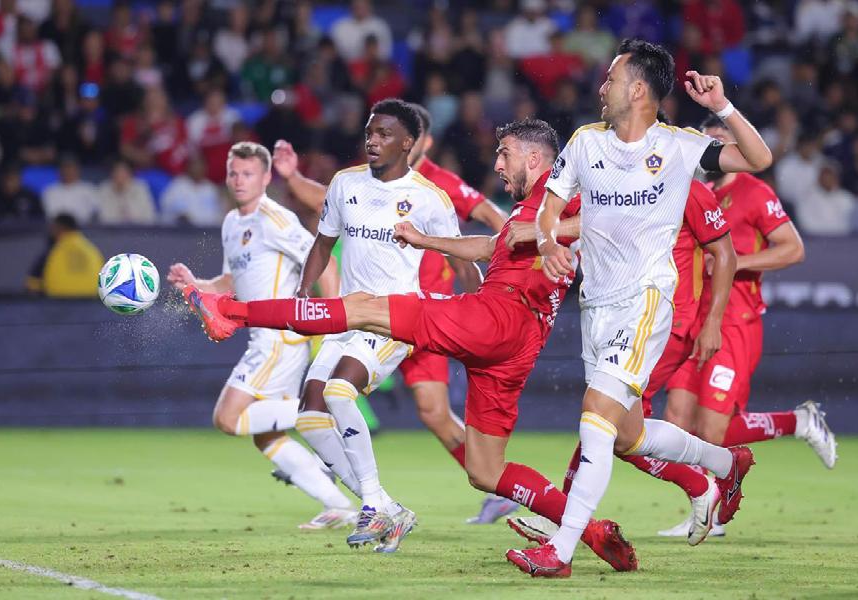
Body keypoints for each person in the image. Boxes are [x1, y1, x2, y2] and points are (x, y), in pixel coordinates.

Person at [181, 117, 641, 574]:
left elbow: (618, 217)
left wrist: (551, 234)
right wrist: (426, 240)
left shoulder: (557, 197)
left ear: (534, 157)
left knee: (362, 307)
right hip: (516, 347)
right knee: (484, 470)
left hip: (496, 317)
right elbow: (489, 247)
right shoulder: (529, 208)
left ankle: (232, 311)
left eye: (505, 154)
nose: (497, 164)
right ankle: (592, 533)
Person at [515, 38, 775, 577]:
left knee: (595, 417)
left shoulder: (679, 146)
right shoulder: (586, 142)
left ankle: (560, 551)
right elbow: (549, 207)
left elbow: (760, 159)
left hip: (646, 301)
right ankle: (724, 464)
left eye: (610, 78)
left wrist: (722, 106)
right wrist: (547, 243)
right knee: (629, 435)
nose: (601, 88)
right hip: (596, 305)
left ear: (637, 89)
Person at [271, 105, 513, 524]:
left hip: (410, 317)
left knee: (381, 401)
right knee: (311, 416)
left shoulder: (435, 190)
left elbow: (473, 242)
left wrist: (488, 306)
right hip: (350, 317)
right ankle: (381, 502)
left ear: (413, 142)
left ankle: (489, 487)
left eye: (384, 134)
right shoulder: (348, 182)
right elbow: (325, 228)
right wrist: (292, 180)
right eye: (370, 132)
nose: (373, 141)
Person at [651, 114, 835, 536]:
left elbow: (793, 249)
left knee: (712, 429)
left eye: (721, 141)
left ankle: (798, 422)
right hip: (690, 317)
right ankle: (704, 508)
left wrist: (733, 264)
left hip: (735, 320)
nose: (714, 149)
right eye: (708, 142)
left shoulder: (753, 192)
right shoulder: (687, 191)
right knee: (676, 419)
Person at [166, 141, 355, 531]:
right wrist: (195, 284)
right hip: (265, 340)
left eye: (248, 173)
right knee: (266, 437)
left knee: (227, 418)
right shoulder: (232, 223)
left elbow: (324, 260)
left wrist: (333, 318)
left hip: (279, 339)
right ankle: (338, 505)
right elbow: (231, 282)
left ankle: (315, 416)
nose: (239, 180)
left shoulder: (276, 219)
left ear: (266, 177)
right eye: (234, 173)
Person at [26, 213, 104, 297]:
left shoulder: (52, 251)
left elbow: (32, 285)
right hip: (91, 301)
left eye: (52, 228)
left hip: (58, 301)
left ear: (60, 228)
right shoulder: (92, 251)